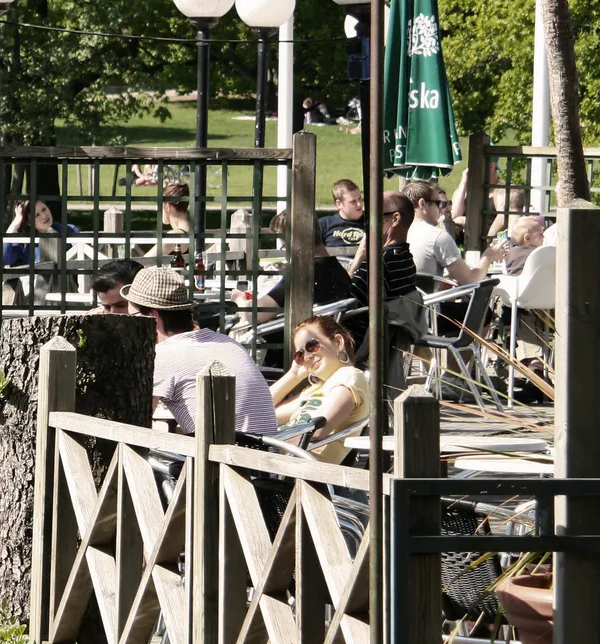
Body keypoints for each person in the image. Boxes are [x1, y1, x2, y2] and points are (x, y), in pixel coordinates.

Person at [123, 266, 277, 434]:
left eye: (134, 318)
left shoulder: (163, 356)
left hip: (221, 457)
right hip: (263, 453)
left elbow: (133, 425)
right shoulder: (226, 342)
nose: (130, 324)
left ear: (152, 317)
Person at [267, 315, 370, 464]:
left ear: (338, 342)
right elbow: (262, 413)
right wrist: (293, 375)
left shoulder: (350, 377)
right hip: (281, 464)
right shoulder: (315, 389)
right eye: (300, 354)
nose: (307, 357)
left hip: (303, 474)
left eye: (312, 346)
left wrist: (269, 441)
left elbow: (317, 431)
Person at [404, 179, 499, 285]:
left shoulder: (397, 233)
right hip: (425, 301)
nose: (441, 209)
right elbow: (471, 281)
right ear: (422, 204)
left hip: (401, 299)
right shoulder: (437, 236)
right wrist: (488, 256)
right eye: (438, 203)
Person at [347, 191, 420, 302]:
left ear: (395, 219)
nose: (367, 223)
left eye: (373, 215)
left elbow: (348, 301)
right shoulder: (405, 257)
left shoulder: (380, 262)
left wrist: (357, 260)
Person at [2, 197, 75, 267]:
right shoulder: (24, 242)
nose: (44, 216)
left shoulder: (69, 230)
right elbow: (4, 259)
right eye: (37, 215)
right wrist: (14, 225)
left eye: (44, 209)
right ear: (28, 222)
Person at [318, 179, 366, 255]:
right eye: (353, 202)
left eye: (360, 199)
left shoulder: (371, 224)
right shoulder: (324, 224)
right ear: (339, 204)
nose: (359, 204)